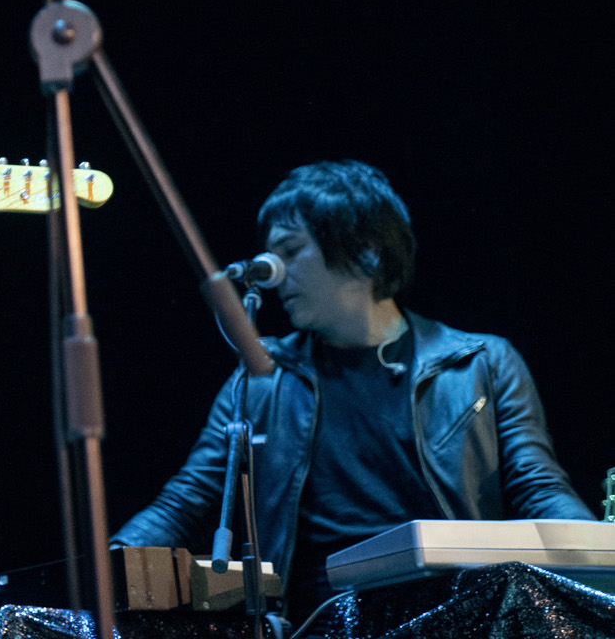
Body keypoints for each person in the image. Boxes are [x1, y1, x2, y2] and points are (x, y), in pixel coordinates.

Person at [110, 160, 591, 617]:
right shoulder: (262, 379)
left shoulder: (481, 363)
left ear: (366, 251)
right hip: (316, 622)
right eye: (270, 256)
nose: (275, 274)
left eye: (291, 251)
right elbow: (188, 500)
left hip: (456, 614)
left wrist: (600, 557)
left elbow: (539, 488)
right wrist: (108, 563)